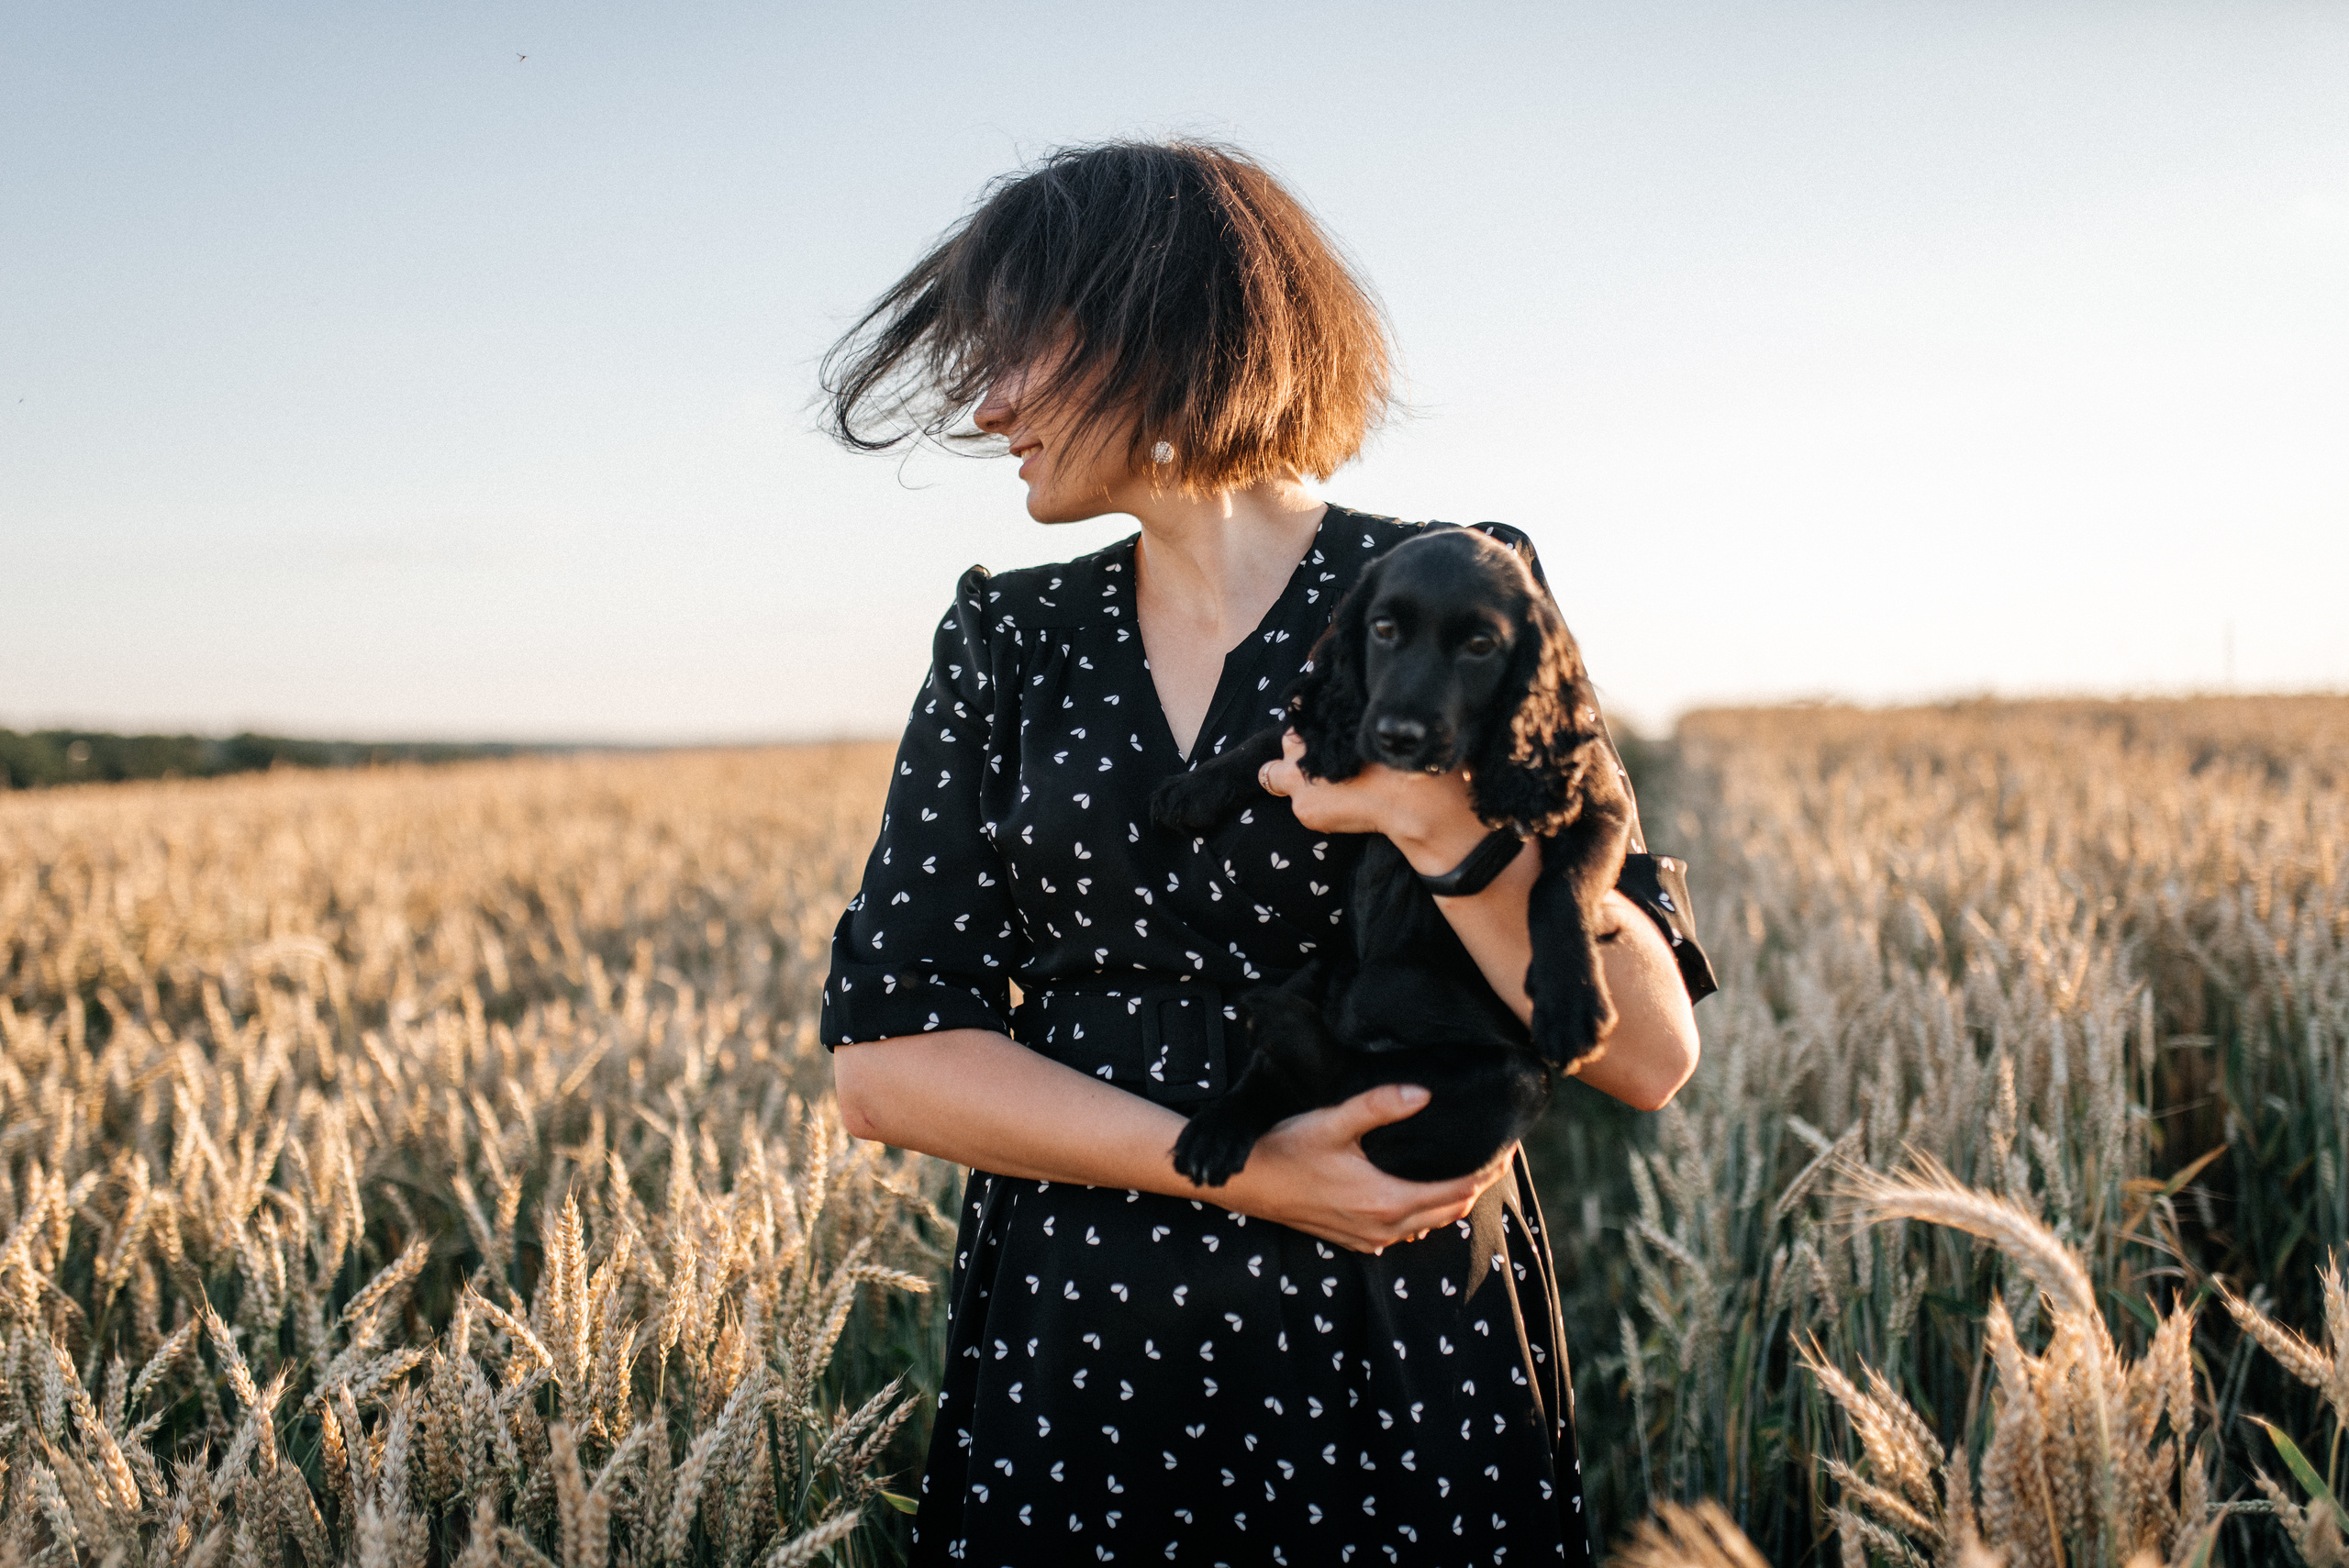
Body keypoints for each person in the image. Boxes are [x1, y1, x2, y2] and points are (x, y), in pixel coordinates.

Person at [818, 139, 1714, 1567]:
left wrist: (1432, 821)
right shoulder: (1008, 639)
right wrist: (1237, 1165)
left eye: (1018, 355)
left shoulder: (1445, 592)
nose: (988, 409)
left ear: (1154, 327)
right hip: (1080, 1359)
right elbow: (883, 1064)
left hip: (1392, 1338)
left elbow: (1647, 1047)